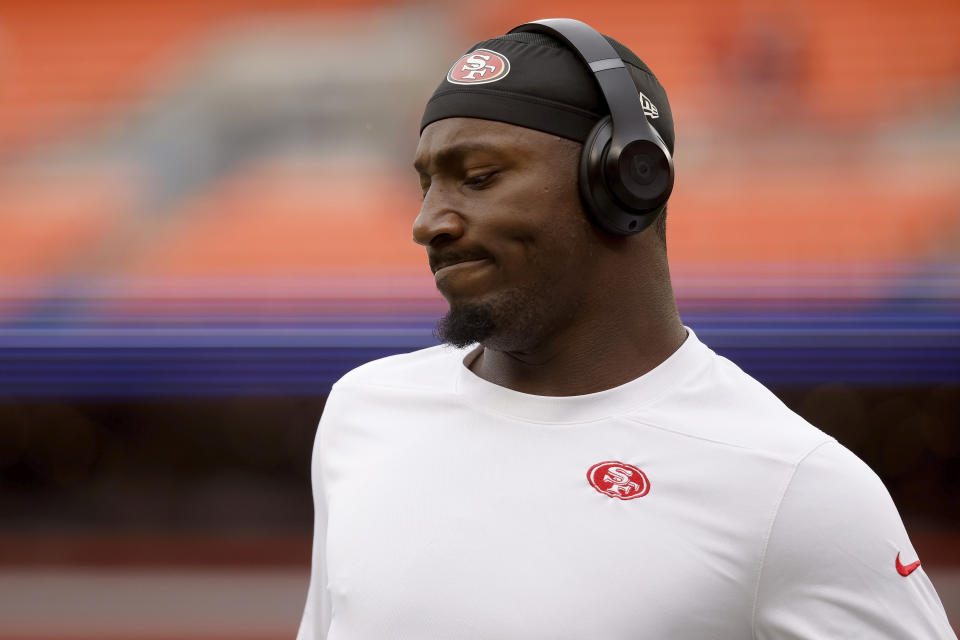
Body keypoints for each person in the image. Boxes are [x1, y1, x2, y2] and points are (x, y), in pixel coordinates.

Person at [297, 18, 956, 639]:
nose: (429, 222)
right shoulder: (365, 411)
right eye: (426, 185)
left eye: (478, 177)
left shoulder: (794, 484)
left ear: (624, 180)